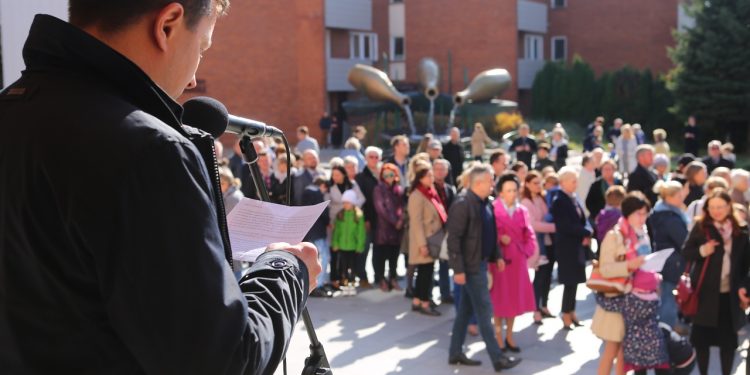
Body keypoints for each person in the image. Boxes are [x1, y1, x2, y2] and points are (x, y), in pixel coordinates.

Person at [0, 1, 322, 374]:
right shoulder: (146, 150)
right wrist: (286, 268)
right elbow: (224, 360)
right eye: (202, 47)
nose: (190, 82)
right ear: (167, 24)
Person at [446, 165, 521, 371]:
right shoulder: (462, 204)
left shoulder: (485, 203)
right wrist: (458, 270)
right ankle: (498, 359)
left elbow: (491, 232)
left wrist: (496, 255)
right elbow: (454, 240)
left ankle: (455, 353)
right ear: (478, 183)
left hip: (479, 263)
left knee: (465, 311)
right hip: (470, 267)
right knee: (485, 310)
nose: (493, 185)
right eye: (490, 181)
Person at [683, 189, 750, 375]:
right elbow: (686, 252)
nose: (716, 211)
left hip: (729, 298)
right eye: (712, 207)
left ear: (729, 207)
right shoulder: (701, 227)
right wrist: (703, 250)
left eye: (720, 207)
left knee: (728, 345)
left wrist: (745, 288)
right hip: (704, 295)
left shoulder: (741, 231)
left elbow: (746, 266)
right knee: (702, 343)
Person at [592, 192, 652, 375]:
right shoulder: (615, 235)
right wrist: (629, 265)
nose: (642, 218)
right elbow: (606, 268)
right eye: (638, 214)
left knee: (625, 353)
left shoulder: (642, 233)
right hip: (618, 300)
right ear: (627, 213)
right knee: (612, 350)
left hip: (638, 299)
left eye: (645, 213)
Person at [490, 173, 538, 352]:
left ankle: (509, 335)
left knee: (514, 299)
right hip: (499, 261)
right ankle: (498, 336)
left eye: (514, 190)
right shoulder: (493, 208)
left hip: (517, 260)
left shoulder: (522, 211)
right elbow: (487, 234)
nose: (512, 193)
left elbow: (529, 234)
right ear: (501, 193)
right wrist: (499, 238)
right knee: (500, 299)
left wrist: (525, 251)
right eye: (508, 190)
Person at [551, 167, 592, 330]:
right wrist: (584, 232)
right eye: (573, 181)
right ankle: (565, 312)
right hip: (567, 247)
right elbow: (565, 226)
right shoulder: (559, 200)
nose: (576, 184)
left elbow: (582, 219)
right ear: (563, 182)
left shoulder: (573, 198)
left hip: (577, 246)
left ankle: (571, 310)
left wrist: (586, 232)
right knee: (569, 281)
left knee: (575, 281)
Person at [647, 180, 689, 329]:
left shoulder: (661, 212)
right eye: (678, 195)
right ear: (669, 197)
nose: (681, 198)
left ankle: (668, 327)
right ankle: (668, 329)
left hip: (665, 259)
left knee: (666, 294)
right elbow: (683, 240)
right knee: (668, 295)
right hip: (672, 261)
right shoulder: (670, 217)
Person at [408, 161, 444, 316]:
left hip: (432, 238)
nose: (431, 178)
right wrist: (422, 244)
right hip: (424, 240)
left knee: (426, 271)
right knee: (425, 273)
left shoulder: (431, 192)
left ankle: (417, 300)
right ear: (420, 178)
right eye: (428, 175)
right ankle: (424, 302)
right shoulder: (417, 195)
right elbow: (416, 222)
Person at [521, 171, 556, 325]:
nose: (538, 186)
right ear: (527, 184)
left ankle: (544, 305)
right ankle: (535, 309)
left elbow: (547, 216)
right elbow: (533, 224)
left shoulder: (541, 198)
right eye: (534, 183)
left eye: (539, 183)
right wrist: (554, 227)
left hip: (547, 242)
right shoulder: (526, 202)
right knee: (539, 277)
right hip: (537, 245)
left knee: (547, 276)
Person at [373, 163, 405, 292]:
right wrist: (394, 221)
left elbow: (402, 207)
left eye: (391, 174)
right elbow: (381, 208)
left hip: (397, 230)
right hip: (384, 228)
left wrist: (401, 220)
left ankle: (393, 278)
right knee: (381, 256)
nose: (388, 177)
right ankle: (382, 279)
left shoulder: (399, 189)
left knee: (394, 257)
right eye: (385, 175)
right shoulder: (378, 189)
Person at [355, 146, 382, 288]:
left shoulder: (383, 175)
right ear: (365, 158)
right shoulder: (360, 177)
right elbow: (360, 201)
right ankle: (362, 277)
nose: (374, 159)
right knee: (364, 250)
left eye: (376, 157)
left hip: (382, 221)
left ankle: (379, 277)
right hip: (367, 220)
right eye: (371, 156)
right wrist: (365, 219)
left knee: (378, 250)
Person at [331, 190, 367, 296]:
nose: (346, 205)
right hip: (342, 246)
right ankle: (345, 284)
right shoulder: (340, 215)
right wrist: (335, 243)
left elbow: (361, 232)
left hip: (353, 246)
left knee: (353, 266)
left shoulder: (358, 215)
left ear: (353, 203)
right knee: (343, 266)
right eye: (344, 202)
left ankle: (352, 283)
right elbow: (337, 231)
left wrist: (360, 245)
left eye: (348, 202)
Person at [304, 177, 333, 298]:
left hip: (309, 231)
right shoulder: (316, 193)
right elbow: (323, 212)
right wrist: (328, 222)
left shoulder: (305, 192)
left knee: (313, 259)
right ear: (322, 185)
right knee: (324, 258)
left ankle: (314, 285)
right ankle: (318, 285)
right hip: (318, 231)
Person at [434, 159, 457, 303]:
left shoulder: (450, 189)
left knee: (445, 263)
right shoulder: (429, 188)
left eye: (443, 169)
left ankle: (445, 292)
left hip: (447, 231)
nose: (440, 172)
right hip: (434, 230)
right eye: (437, 169)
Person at [586, 159, 622, 224]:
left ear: (614, 170)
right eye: (605, 169)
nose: (607, 171)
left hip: (618, 215)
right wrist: (596, 215)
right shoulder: (596, 184)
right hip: (601, 217)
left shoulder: (618, 182)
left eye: (609, 169)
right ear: (601, 170)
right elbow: (589, 202)